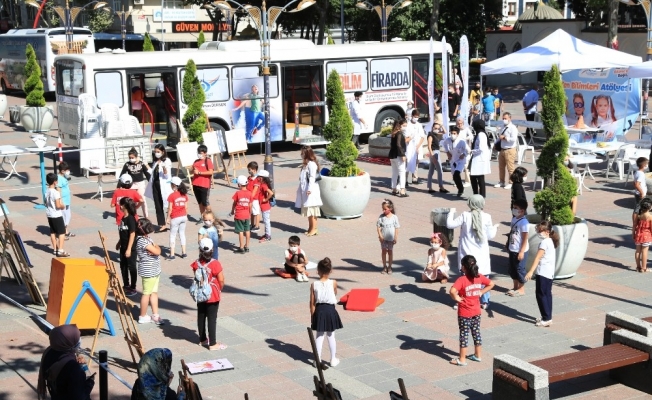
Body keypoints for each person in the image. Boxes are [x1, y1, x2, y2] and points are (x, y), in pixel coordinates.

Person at [447, 195, 498, 309]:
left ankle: (461, 299)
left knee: (465, 279)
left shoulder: (465, 215)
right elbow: (490, 236)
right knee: (484, 278)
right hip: (482, 254)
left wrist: (451, 212)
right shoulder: (487, 217)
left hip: (466, 253)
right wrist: (495, 227)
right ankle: (484, 302)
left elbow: (450, 225)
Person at [449, 255, 494, 366]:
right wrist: (481, 292)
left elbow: (452, 291)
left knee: (464, 335)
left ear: (463, 267)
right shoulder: (479, 277)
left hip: (464, 313)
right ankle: (478, 355)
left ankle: (462, 360)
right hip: (476, 311)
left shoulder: (462, 280)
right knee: (476, 332)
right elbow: (491, 284)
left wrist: (457, 298)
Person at [37, 325, 95, 400]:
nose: (79, 340)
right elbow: (80, 396)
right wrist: (90, 382)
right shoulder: (73, 368)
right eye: (77, 337)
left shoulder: (49, 352)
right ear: (67, 342)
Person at [192, 238, 226, 350]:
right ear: (212, 250)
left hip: (200, 292)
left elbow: (197, 277)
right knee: (212, 318)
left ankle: (202, 339)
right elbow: (221, 280)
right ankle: (213, 343)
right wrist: (219, 288)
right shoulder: (215, 264)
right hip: (212, 294)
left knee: (201, 316)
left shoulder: (196, 263)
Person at [524, 221, 559, 327]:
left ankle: (546, 318)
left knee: (541, 294)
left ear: (547, 231)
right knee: (547, 294)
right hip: (549, 272)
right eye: (538, 230)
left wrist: (530, 271)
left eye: (540, 230)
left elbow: (538, 257)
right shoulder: (551, 241)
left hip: (543, 272)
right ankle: (547, 316)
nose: (539, 233)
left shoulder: (544, 242)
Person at [310, 257, 343, 368]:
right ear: (331, 270)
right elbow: (335, 293)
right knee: (331, 335)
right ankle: (333, 359)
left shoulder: (314, 284)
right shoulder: (333, 282)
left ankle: (317, 359)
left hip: (319, 310)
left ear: (318, 271)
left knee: (319, 335)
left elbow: (312, 302)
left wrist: (312, 315)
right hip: (330, 310)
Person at [135, 218, 163, 325]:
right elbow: (157, 251)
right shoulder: (142, 240)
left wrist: (156, 249)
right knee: (146, 293)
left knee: (154, 292)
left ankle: (155, 314)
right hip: (148, 271)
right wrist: (156, 249)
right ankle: (142, 316)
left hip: (155, 269)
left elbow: (157, 249)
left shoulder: (147, 238)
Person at [295, 146, 323, 235]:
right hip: (305, 190)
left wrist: (309, 189)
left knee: (312, 210)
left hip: (311, 191)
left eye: (303, 153)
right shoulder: (305, 165)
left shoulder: (311, 164)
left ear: (307, 154)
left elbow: (312, 177)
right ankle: (311, 227)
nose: (301, 155)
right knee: (308, 211)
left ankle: (314, 228)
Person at [145, 144, 172, 231]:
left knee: (168, 204)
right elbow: (152, 173)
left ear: (163, 152)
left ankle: (170, 220)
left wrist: (164, 169)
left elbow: (167, 175)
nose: (156, 153)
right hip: (155, 185)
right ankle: (162, 224)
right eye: (155, 152)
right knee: (157, 204)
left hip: (163, 185)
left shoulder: (167, 161)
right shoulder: (156, 161)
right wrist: (145, 165)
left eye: (158, 152)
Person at [119, 148, 151, 218]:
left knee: (142, 199)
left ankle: (146, 216)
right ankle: (132, 214)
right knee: (131, 200)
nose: (131, 159)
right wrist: (119, 186)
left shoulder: (141, 163)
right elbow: (122, 175)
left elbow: (147, 174)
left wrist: (151, 183)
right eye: (130, 158)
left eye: (132, 157)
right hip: (131, 184)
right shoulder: (127, 164)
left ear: (136, 157)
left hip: (140, 184)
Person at [507, 199, 529, 297]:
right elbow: (511, 232)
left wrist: (522, 251)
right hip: (512, 248)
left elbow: (525, 238)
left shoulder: (524, 223)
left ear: (522, 211)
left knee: (520, 269)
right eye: (514, 207)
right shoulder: (514, 219)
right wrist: (508, 242)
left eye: (516, 208)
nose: (514, 209)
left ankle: (521, 289)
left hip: (519, 250)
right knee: (513, 269)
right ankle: (515, 287)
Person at [116, 197, 138, 296]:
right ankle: (126, 285)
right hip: (123, 247)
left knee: (132, 267)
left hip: (131, 248)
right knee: (123, 266)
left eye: (121, 204)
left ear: (124, 206)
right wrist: (119, 242)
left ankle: (133, 287)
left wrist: (129, 249)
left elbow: (132, 233)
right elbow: (123, 232)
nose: (119, 206)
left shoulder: (131, 219)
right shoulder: (123, 218)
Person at [45, 173, 69, 257]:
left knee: (53, 231)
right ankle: (60, 250)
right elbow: (58, 205)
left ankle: (55, 249)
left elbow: (46, 202)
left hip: (49, 213)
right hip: (56, 214)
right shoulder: (56, 193)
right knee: (61, 232)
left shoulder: (47, 191)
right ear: (55, 182)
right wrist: (63, 206)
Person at [494, 112, 519, 190]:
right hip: (502, 149)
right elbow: (499, 137)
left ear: (510, 118)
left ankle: (511, 182)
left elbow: (513, 139)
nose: (504, 120)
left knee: (510, 167)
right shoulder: (502, 127)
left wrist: (505, 137)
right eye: (503, 118)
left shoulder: (513, 128)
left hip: (510, 149)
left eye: (506, 118)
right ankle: (501, 181)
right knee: (501, 167)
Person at [166, 176, 188, 260]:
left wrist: (168, 218)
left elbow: (170, 208)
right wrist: (186, 215)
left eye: (171, 184)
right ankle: (184, 252)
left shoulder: (172, 196)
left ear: (174, 185)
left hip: (175, 217)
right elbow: (186, 207)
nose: (170, 186)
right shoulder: (184, 195)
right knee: (182, 234)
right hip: (183, 216)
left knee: (172, 235)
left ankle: (172, 254)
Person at [469, 119, 491, 198]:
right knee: (473, 177)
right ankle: (476, 195)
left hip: (479, 159)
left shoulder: (481, 134)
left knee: (480, 179)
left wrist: (471, 151)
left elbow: (481, 148)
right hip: (477, 159)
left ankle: (481, 196)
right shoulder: (479, 134)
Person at [190, 145, 214, 219]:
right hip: (195, 184)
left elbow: (210, 172)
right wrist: (192, 169)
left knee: (205, 202)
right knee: (200, 202)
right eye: (198, 152)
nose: (199, 154)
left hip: (204, 185)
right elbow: (192, 170)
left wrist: (199, 172)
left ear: (205, 153)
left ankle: (211, 217)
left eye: (201, 153)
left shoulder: (208, 161)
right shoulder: (196, 161)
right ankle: (203, 217)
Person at [377, 199, 400, 275]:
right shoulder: (381, 217)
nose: (383, 211)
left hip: (391, 238)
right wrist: (380, 235)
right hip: (383, 239)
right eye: (383, 209)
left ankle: (390, 266)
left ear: (390, 209)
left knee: (390, 251)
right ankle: (384, 266)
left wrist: (395, 237)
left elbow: (397, 228)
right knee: (384, 251)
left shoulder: (394, 217)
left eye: (385, 209)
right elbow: (378, 227)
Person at [231, 175, 252, 254]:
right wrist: (249, 213)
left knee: (240, 231)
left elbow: (234, 203)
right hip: (246, 214)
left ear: (239, 184)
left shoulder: (237, 193)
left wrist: (232, 211)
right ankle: (247, 246)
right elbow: (250, 205)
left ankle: (241, 247)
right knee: (247, 230)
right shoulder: (250, 193)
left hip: (239, 215)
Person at [427, 121, 449, 194]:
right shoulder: (430, 135)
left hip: (436, 152)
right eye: (435, 128)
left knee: (431, 170)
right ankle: (441, 187)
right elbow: (429, 147)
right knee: (440, 170)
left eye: (437, 128)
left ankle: (430, 187)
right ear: (432, 127)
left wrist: (441, 125)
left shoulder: (436, 134)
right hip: (434, 153)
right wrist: (432, 156)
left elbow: (445, 132)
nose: (436, 129)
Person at [446, 126, 469, 197]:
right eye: (451, 133)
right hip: (453, 160)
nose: (453, 135)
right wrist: (448, 153)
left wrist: (464, 154)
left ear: (457, 134)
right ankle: (459, 187)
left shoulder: (461, 141)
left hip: (460, 160)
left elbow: (468, 150)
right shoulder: (448, 140)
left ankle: (461, 189)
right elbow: (444, 145)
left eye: (454, 133)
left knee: (456, 174)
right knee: (454, 176)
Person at [389, 119, 408, 197]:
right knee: (402, 172)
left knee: (394, 173)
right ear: (400, 125)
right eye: (404, 125)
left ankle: (394, 189)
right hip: (398, 156)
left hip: (392, 155)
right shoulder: (399, 133)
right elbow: (398, 144)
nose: (405, 127)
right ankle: (402, 190)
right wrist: (402, 155)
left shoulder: (394, 133)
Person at [406, 109, 425, 184]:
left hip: (417, 146)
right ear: (412, 116)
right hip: (409, 146)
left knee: (416, 163)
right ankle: (405, 179)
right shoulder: (408, 124)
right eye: (415, 116)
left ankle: (415, 178)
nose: (416, 118)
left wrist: (418, 146)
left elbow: (422, 136)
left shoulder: (419, 125)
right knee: (408, 162)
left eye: (417, 117)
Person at [634, 198, 652, 273]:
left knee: (638, 251)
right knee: (645, 251)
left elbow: (635, 225)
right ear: (650, 207)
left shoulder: (639, 215)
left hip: (638, 234)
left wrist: (633, 233)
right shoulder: (650, 217)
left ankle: (638, 267)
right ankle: (644, 268)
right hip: (646, 236)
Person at [57, 162, 74, 239]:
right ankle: (61, 233)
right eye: (67, 170)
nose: (68, 171)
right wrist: (60, 200)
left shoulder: (64, 177)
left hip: (67, 200)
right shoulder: (59, 178)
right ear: (62, 170)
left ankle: (65, 231)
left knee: (68, 216)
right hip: (63, 200)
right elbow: (58, 189)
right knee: (63, 218)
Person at [257, 169, 274, 243]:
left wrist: (265, 199)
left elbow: (271, 193)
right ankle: (267, 234)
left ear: (262, 178)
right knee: (265, 220)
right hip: (264, 206)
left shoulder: (263, 185)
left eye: (259, 177)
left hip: (265, 206)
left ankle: (268, 236)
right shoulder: (263, 184)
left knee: (266, 221)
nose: (257, 178)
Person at [246, 161, 261, 233]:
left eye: (249, 170)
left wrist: (250, 197)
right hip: (249, 198)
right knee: (251, 212)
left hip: (254, 199)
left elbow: (255, 190)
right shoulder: (249, 178)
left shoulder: (257, 179)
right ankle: (252, 224)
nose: (249, 171)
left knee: (256, 212)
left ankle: (257, 225)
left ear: (254, 170)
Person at [633, 157, 649, 226]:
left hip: (637, 193)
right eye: (647, 164)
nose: (647, 165)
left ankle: (638, 223)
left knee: (639, 209)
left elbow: (634, 183)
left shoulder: (636, 172)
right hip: (640, 194)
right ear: (643, 165)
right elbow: (637, 184)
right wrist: (642, 192)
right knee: (637, 209)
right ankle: (635, 224)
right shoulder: (641, 174)